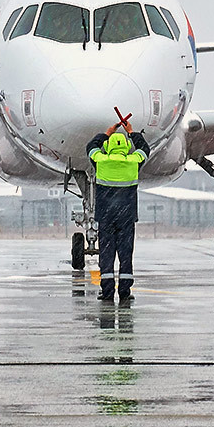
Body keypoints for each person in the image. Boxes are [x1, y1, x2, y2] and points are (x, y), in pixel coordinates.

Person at [86, 129, 149, 302]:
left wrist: (105, 134)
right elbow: (144, 149)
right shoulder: (133, 162)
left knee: (106, 255)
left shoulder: (101, 161)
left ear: (108, 147)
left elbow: (91, 147)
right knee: (125, 255)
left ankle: (107, 292)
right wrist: (132, 132)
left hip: (106, 217)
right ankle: (124, 291)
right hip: (126, 218)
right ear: (127, 147)